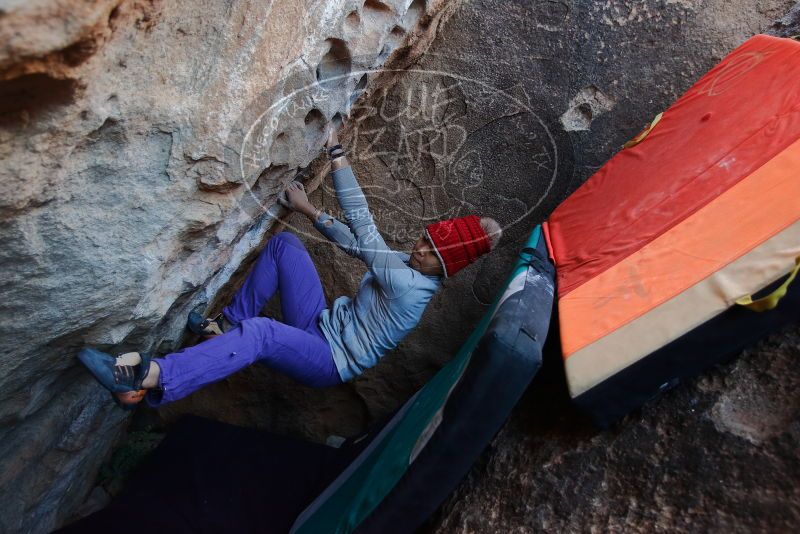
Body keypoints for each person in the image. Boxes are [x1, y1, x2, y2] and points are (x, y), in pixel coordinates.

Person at [78, 126, 502, 409]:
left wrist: (337, 154)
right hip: (319, 325)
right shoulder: (409, 268)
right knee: (285, 245)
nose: (419, 246)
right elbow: (357, 245)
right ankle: (225, 327)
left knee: (263, 334)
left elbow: (365, 226)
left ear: (442, 269)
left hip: (329, 360)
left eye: (430, 251)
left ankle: (146, 378)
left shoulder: (411, 288)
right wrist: (308, 209)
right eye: (425, 238)